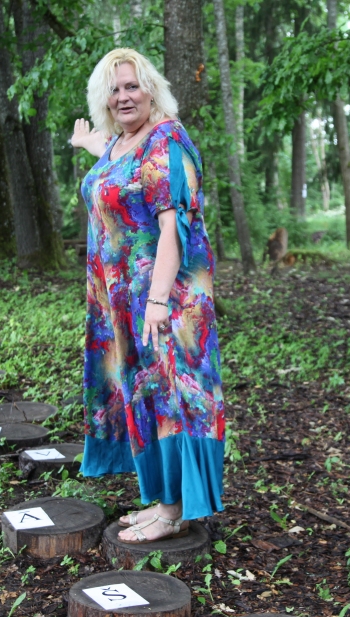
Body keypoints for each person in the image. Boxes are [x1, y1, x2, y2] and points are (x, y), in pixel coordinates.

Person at [70, 48, 226, 545]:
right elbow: (120, 176)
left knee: (168, 395)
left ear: (151, 88)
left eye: (132, 85)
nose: (123, 96)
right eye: (113, 89)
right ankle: (162, 501)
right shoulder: (123, 144)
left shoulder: (165, 140)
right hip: (123, 304)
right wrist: (89, 143)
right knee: (143, 390)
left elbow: (171, 228)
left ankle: (174, 510)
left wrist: (158, 301)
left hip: (164, 300)